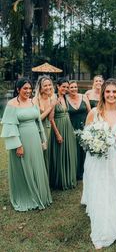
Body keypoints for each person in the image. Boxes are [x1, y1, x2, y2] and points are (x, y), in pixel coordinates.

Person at [81, 78, 116, 249]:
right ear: (103, 93)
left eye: (114, 92)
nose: (111, 95)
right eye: (108, 92)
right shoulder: (94, 112)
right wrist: (94, 146)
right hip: (97, 159)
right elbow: (86, 136)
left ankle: (115, 213)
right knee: (100, 187)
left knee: (114, 187)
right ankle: (103, 218)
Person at [1, 78, 52, 211]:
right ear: (18, 89)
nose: (28, 91)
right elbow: (10, 126)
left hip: (35, 138)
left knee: (36, 165)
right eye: (25, 89)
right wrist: (18, 145)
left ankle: (41, 194)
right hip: (21, 140)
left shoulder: (32, 102)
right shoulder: (12, 104)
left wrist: (42, 138)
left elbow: (38, 121)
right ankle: (27, 196)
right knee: (25, 167)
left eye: (30, 89)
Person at [48, 78, 77, 190]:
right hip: (58, 127)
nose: (65, 89)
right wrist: (57, 134)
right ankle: (60, 180)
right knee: (60, 153)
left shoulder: (65, 98)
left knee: (69, 151)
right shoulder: (54, 98)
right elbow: (51, 119)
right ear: (58, 86)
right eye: (63, 87)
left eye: (67, 87)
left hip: (68, 127)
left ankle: (69, 178)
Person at [67, 80, 91, 180]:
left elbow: (90, 112)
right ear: (68, 89)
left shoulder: (84, 97)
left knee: (84, 149)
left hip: (84, 126)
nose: (74, 89)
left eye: (75, 87)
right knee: (74, 150)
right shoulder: (65, 98)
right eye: (71, 87)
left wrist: (89, 126)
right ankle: (76, 172)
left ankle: (86, 171)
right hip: (71, 127)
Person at [33, 75, 57, 172]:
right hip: (38, 129)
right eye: (45, 86)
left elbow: (51, 118)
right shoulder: (35, 100)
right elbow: (38, 118)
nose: (48, 87)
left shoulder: (52, 98)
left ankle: (48, 179)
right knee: (41, 154)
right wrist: (51, 106)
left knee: (49, 154)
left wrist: (52, 101)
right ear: (40, 87)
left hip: (49, 128)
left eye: (49, 85)